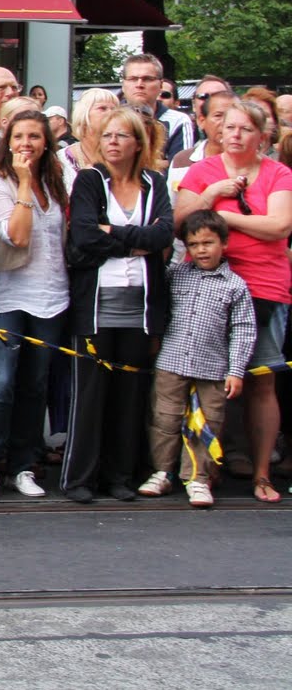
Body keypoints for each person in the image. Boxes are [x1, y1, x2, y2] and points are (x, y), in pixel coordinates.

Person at [174, 100, 292, 504]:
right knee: (206, 379)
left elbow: (279, 225)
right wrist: (210, 193)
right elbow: (179, 222)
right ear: (218, 132)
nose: (237, 134)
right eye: (230, 127)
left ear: (262, 135)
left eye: (246, 128)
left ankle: (262, 473)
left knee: (261, 380)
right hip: (206, 285)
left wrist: (221, 219)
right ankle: (205, 471)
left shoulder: (278, 173)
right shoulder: (202, 172)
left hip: (264, 286)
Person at [61, 107, 172, 504]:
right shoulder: (90, 180)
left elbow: (163, 235)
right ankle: (80, 479)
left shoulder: (155, 183)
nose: (112, 142)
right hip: (95, 307)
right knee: (90, 397)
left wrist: (118, 235)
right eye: (106, 135)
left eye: (121, 136)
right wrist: (136, 243)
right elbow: (86, 236)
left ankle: (121, 476)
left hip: (140, 309)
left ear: (138, 143)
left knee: (130, 395)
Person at [0, 110, 70, 501]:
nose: (26, 144)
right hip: (9, 296)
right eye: (18, 137)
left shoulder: (60, 181)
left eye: (34, 136)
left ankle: (23, 466)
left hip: (53, 295)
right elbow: (16, 236)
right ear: (7, 142)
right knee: (1, 384)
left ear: (47, 142)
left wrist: (38, 180)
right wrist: (26, 181)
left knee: (35, 385)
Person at [138, 210, 255, 509]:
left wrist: (236, 370)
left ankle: (199, 478)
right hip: (172, 361)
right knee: (164, 418)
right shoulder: (174, 275)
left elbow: (243, 330)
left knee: (209, 423)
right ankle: (162, 471)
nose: (201, 250)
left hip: (212, 367)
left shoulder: (235, 285)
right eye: (193, 244)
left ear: (224, 243)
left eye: (208, 242)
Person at [59, 88, 119, 187]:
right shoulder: (61, 161)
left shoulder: (124, 157)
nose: (111, 113)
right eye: (103, 108)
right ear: (84, 115)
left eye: (114, 109)